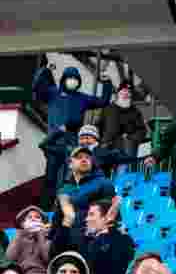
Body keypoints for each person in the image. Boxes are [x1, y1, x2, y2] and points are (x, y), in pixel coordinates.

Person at [32, 64, 114, 211]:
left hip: (71, 145)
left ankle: (63, 208)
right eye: (70, 78)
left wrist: (107, 82)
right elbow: (37, 88)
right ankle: (45, 209)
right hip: (54, 142)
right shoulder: (53, 93)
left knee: (67, 178)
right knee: (50, 176)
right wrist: (46, 70)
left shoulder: (82, 98)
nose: (72, 81)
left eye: (75, 79)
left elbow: (103, 101)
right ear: (64, 79)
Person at [55, 146, 118, 231]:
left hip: (93, 239)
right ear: (70, 164)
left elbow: (111, 214)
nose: (84, 160)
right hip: (67, 240)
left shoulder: (103, 183)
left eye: (87, 158)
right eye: (79, 157)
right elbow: (57, 220)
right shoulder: (63, 190)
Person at [100, 81, 148, 176]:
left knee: (122, 175)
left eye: (128, 92)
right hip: (107, 148)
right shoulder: (108, 109)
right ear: (118, 93)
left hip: (125, 150)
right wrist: (102, 141)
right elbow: (99, 126)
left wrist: (130, 139)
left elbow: (142, 130)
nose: (126, 93)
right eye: (123, 91)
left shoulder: (135, 112)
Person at [6, 206, 52, 274]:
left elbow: (47, 258)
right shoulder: (18, 239)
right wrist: (20, 233)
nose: (33, 219)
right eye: (29, 217)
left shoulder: (47, 240)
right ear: (23, 224)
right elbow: (9, 258)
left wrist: (40, 235)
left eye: (37, 217)